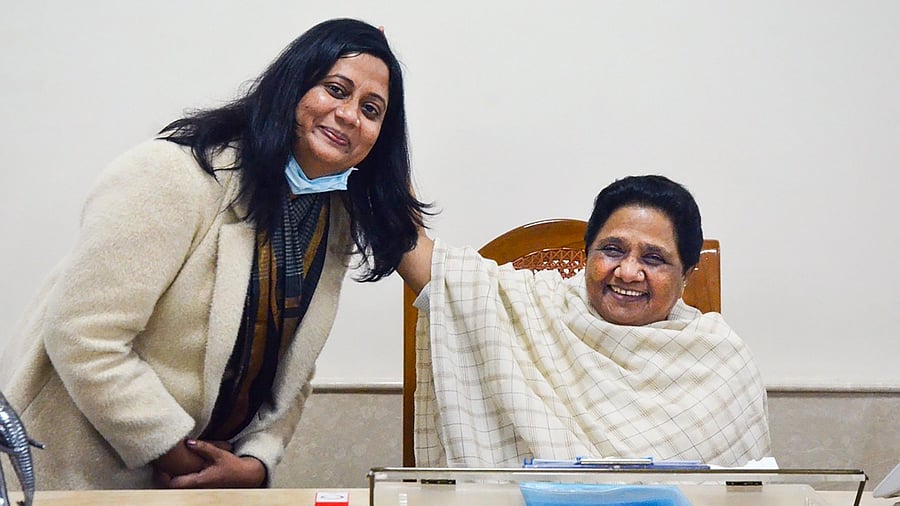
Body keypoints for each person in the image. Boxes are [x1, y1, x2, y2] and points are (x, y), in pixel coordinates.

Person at [1, 18, 427, 490]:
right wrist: (176, 454)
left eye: (371, 109)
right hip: (73, 474)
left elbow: (294, 368)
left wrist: (256, 463)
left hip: (199, 483)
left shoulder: (333, 217)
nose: (348, 115)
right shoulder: (173, 173)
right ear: (292, 87)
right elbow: (83, 334)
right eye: (336, 89)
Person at [398, 175, 771, 467]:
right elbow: (419, 256)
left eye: (653, 258)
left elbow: (742, 494)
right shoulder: (533, 307)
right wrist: (380, 140)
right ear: (587, 253)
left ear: (686, 274)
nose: (627, 272)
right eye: (612, 250)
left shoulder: (719, 357)